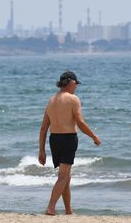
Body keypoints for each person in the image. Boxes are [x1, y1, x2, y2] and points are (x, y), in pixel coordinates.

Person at [38, 71, 102, 215]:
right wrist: (94, 136)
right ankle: (51, 208)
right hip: (68, 139)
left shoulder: (51, 100)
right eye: (76, 84)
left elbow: (43, 128)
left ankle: (68, 210)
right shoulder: (73, 99)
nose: (76, 87)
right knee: (63, 177)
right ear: (71, 82)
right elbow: (80, 122)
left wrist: (41, 150)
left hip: (54, 139)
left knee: (66, 176)